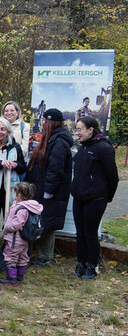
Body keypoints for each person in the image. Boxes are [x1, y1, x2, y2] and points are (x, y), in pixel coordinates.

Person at [71, 116, 119, 279]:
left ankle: (92, 266)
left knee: (90, 233)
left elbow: (113, 177)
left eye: (80, 129)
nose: (77, 133)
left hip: (96, 199)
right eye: (76, 129)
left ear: (91, 130)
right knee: (80, 233)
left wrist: (106, 196)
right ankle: (81, 264)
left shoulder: (103, 148)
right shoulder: (82, 147)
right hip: (79, 198)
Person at [25, 108, 72, 266]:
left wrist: (49, 190)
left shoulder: (59, 142)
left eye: (45, 121)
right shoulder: (50, 139)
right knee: (40, 220)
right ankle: (36, 254)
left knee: (47, 223)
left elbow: (55, 168)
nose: (43, 123)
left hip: (49, 191)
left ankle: (45, 256)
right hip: (39, 188)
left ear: (52, 123)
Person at [0, 182, 43, 286]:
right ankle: (20, 276)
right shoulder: (29, 206)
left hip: (14, 238)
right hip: (24, 238)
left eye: (14, 193)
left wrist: (6, 228)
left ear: (19, 195)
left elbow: (17, 224)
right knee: (23, 257)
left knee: (11, 256)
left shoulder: (21, 209)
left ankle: (11, 278)